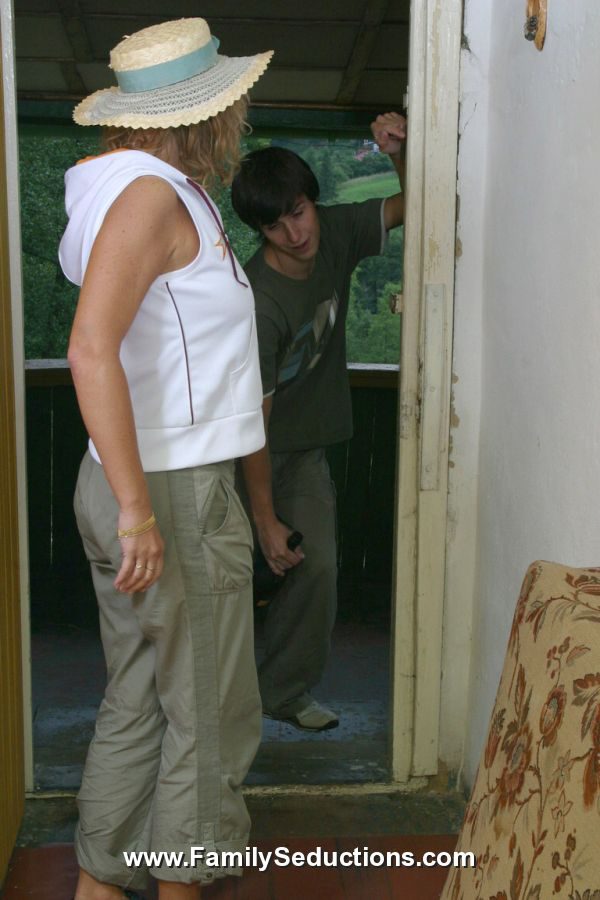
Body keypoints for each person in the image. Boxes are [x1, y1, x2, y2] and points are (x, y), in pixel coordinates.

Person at [58, 18, 272, 900]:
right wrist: (140, 511)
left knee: (142, 694)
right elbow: (89, 349)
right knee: (210, 716)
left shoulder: (124, 189)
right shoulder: (149, 198)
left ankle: (100, 885)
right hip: (165, 489)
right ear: (210, 113)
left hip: (132, 479)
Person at [231, 113, 406, 733]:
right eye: (275, 226)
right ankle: (219, 707)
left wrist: (400, 151)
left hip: (303, 453)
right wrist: (264, 519)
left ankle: (283, 692)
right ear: (259, 231)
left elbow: (416, 205)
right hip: (237, 454)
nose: (294, 233)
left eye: (299, 212)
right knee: (233, 579)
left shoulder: (333, 233)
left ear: (313, 202)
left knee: (318, 568)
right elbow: (252, 420)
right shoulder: (257, 301)